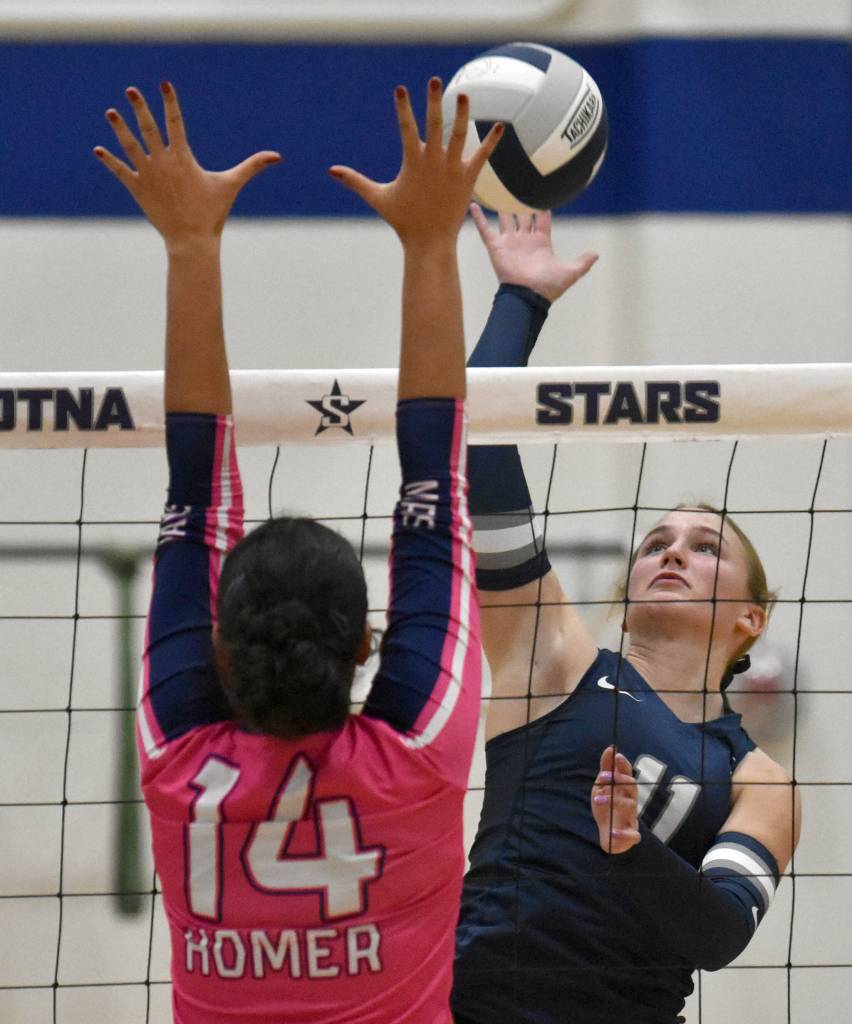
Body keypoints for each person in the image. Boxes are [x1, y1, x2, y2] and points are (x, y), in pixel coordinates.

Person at [94, 78, 501, 1023]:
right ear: (364, 645)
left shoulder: (184, 765)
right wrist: (433, 243)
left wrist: (190, 244)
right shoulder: (412, 756)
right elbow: (433, 489)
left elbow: (200, 498)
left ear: (222, 646)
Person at [451, 208, 802, 1024]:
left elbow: (719, 933)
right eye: (656, 543)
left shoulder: (757, 778)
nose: (673, 552)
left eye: (705, 548)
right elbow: (478, 447)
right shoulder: (556, 661)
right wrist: (521, 299)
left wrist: (630, 848)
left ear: (750, 619)